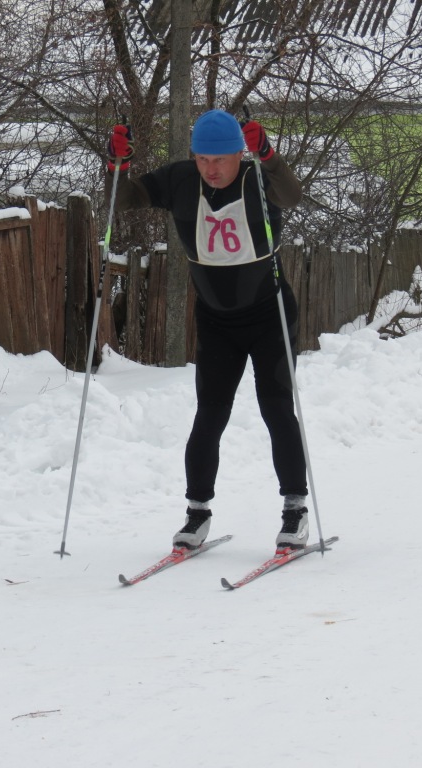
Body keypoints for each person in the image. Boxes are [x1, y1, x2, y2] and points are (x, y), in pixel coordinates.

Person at [106, 109, 309, 551]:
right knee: (209, 415)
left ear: (239, 153)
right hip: (217, 320)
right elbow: (125, 201)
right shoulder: (181, 180)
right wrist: (118, 165)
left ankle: (295, 511)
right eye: (202, 159)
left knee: (276, 409)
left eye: (219, 159)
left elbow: (292, 197)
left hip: (269, 315)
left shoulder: (258, 179)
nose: (210, 169)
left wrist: (269, 155)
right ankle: (197, 514)